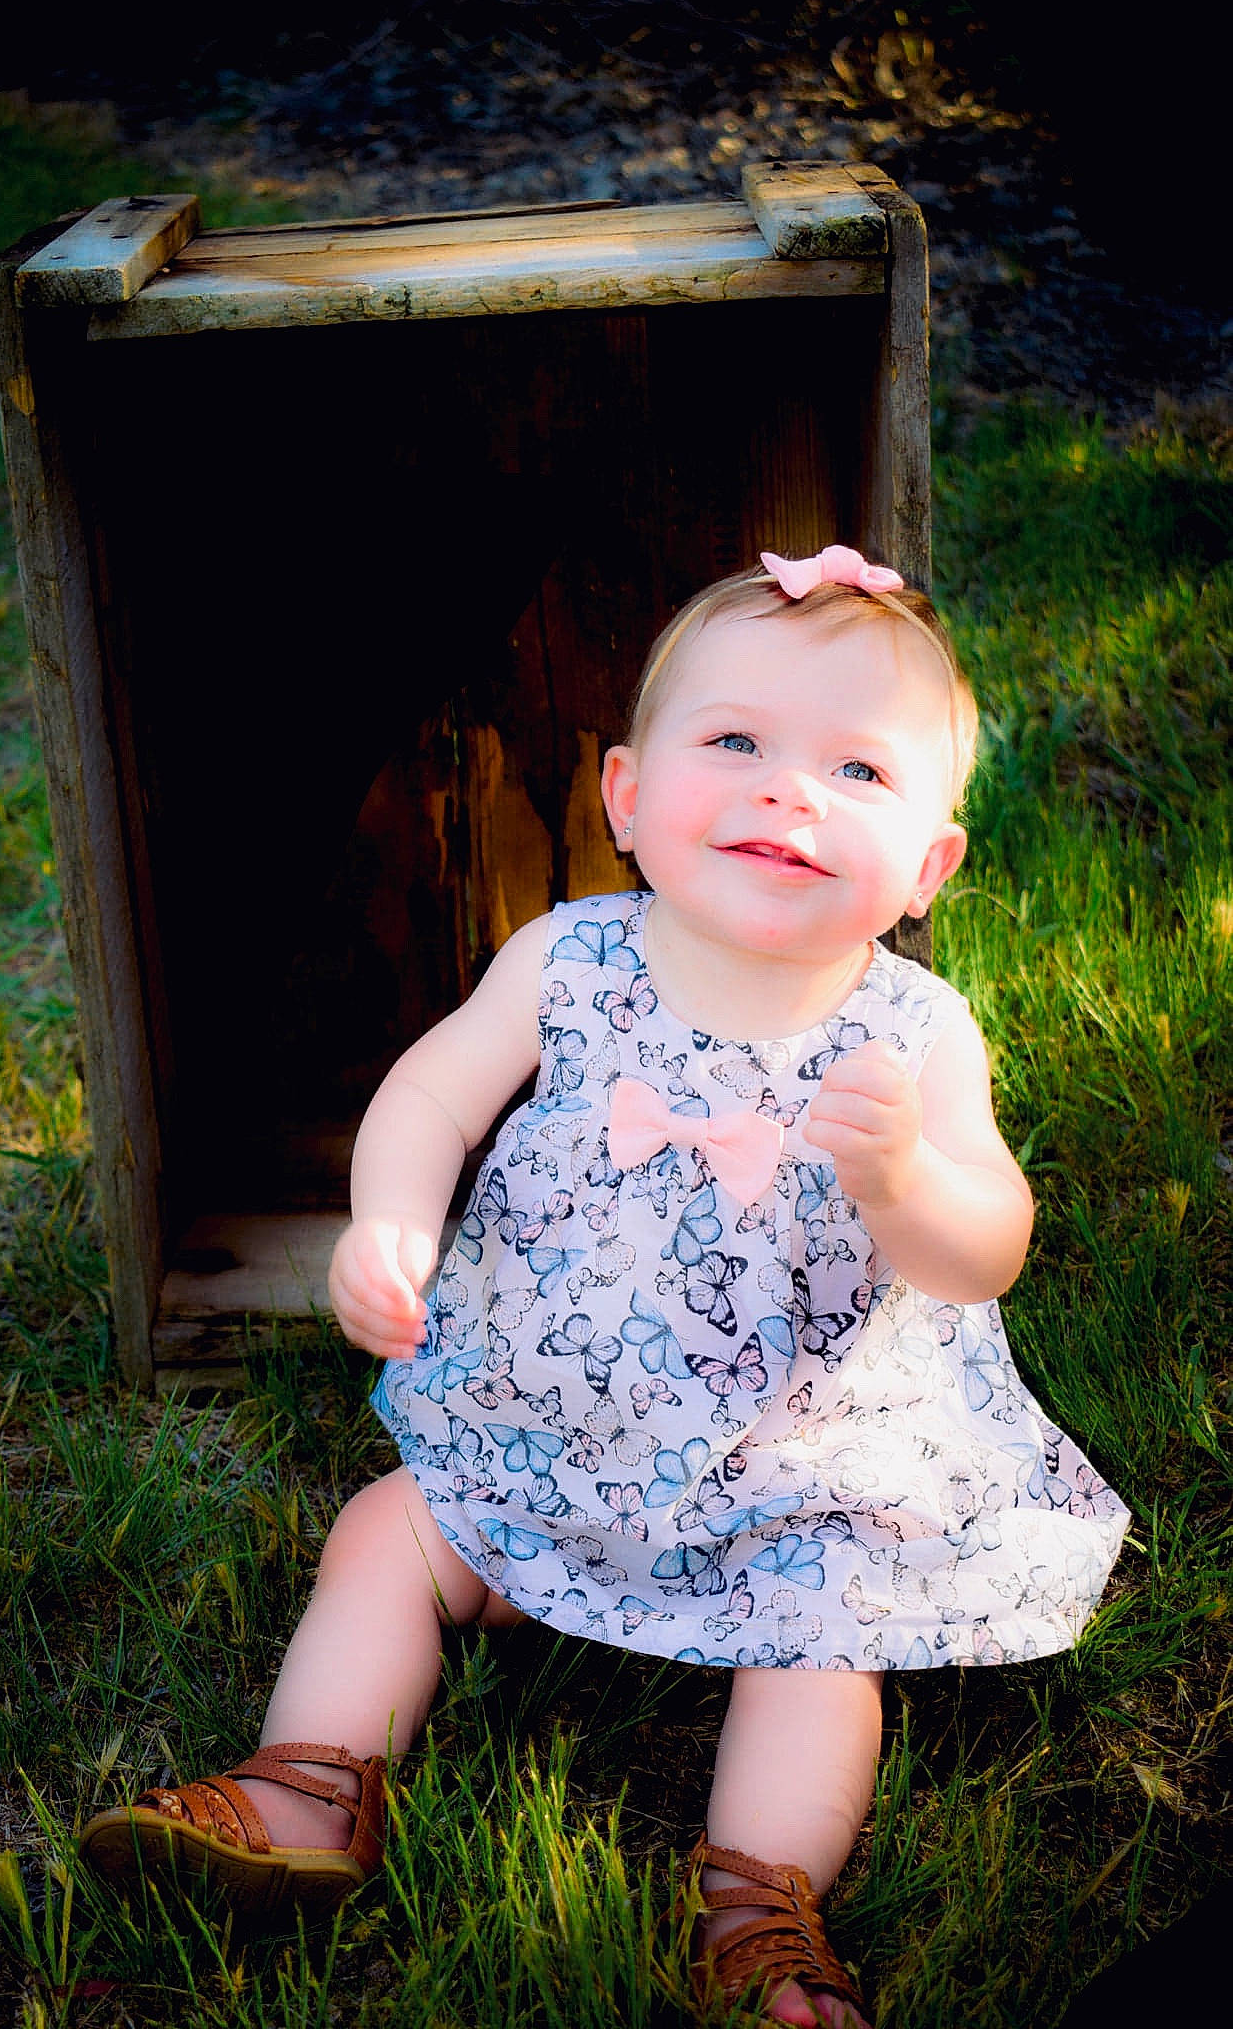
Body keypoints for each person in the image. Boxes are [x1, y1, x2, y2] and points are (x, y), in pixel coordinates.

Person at [79, 545, 1129, 2026]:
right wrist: (391, 1224)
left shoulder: (915, 1033)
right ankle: (309, 1781)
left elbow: (990, 1246)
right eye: (736, 742)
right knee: (392, 1532)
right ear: (627, 799)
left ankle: (759, 1908)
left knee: (820, 1644)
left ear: (927, 870)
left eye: (857, 769)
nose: (789, 792)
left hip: (798, 1464)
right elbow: (430, 1094)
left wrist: (904, 1182)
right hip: (555, 1419)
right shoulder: (567, 962)